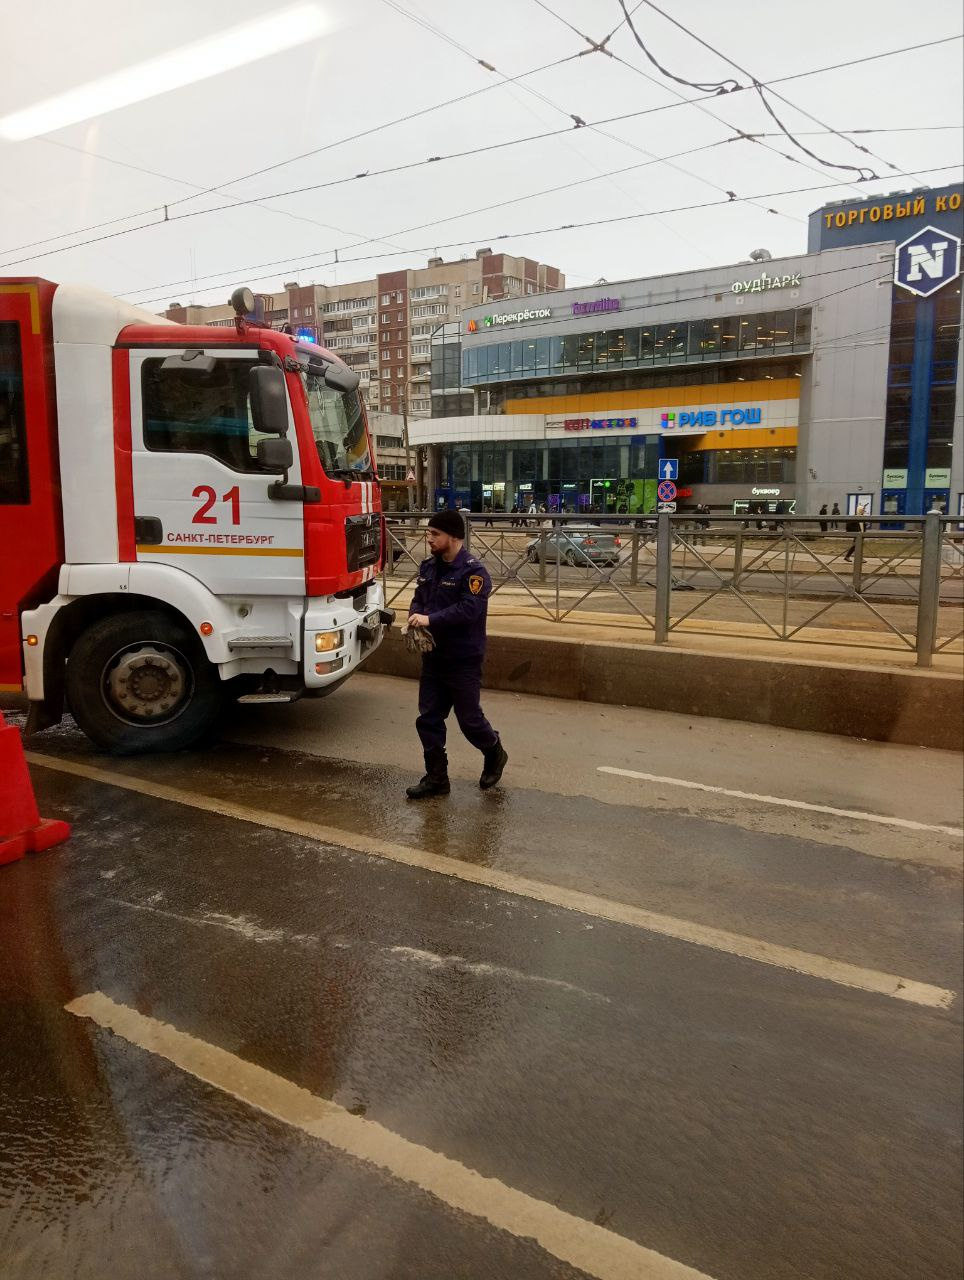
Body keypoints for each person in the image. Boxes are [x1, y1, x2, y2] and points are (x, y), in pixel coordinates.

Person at [405, 509, 507, 799]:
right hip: (434, 658)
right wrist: (414, 617)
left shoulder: (474, 572)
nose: (429, 538)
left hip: (463, 659)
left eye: (435, 534)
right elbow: (419, 599)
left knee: (470, 720)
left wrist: (430, 620)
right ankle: (437, 778)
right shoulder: (429, 567)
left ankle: (494, 751)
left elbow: (469, 610)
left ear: (454, 536)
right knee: (428, 719)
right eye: (428, 533)